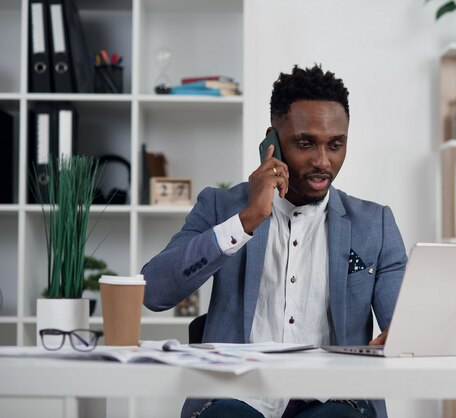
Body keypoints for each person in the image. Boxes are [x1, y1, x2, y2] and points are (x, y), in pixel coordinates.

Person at [142, 64, 408, 418]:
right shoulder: (222, 206)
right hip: (235, 397)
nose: (322, 162)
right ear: (273, 141)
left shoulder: (375, 224)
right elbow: (154, 291)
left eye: (336, 145)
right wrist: (246, 220)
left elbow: (405, 327)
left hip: (335, 402)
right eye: (305, 143)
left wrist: (401, 336)